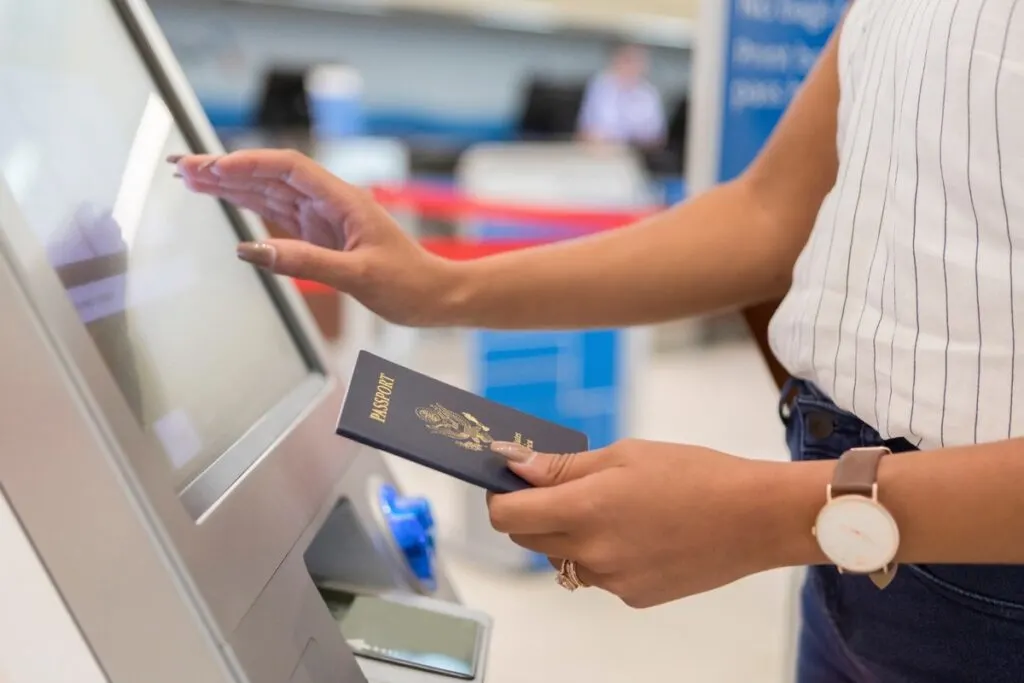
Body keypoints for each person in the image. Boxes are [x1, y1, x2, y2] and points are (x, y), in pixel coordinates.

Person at [170, 0, 1024, 678]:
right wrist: (438, 287)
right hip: (850, 553)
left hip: (977, 582)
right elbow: (770, 213)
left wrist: (773, 517)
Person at [575, 43, 666, 148]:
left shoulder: (649, 93)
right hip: (604, 153)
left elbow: (656, 137)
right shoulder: (600, 86)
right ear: (615, 60)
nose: (633, 66)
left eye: (639, 61)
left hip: (640, 155)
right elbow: (587, 133)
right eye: (628, 60)